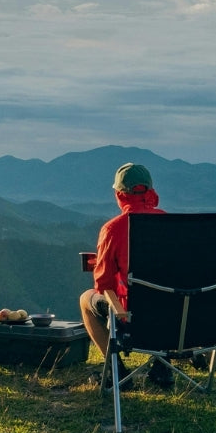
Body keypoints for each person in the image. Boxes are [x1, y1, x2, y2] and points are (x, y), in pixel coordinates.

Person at [79, 162, 171, 387]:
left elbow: (103, 284)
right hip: (173, 318)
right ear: (150, 190)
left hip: (133, 319)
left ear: (120, 194)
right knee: (165, 295)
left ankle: (117, 372)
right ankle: (163, 369)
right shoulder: (172, 224)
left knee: (86, 299)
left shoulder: (113, 229)